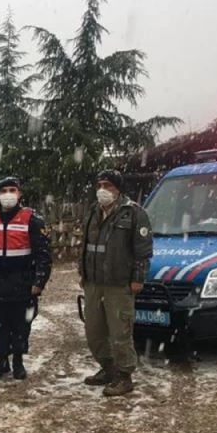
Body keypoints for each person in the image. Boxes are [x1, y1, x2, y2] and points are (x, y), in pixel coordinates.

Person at [0, 176, 52, 380]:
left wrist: (39, 281)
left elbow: (44, 254)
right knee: (0, 323)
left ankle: (18, 361)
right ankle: (2, 361)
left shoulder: (32, 219)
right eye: (3, 191)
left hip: (23, 282)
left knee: (22, 324)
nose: (8, 195)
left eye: (12, 190)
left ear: (19, 194)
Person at [79, 169, 153, 397]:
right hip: (93, 282)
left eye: (108, 186)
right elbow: (85, 246)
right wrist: (83, 274)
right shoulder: (93, 211)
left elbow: (143, 251)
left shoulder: (134, 213)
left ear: (118, 189)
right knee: (94, 331)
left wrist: (138, 278)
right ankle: (108, 368)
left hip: (119, 284)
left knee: (120, 331)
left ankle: (124, 375)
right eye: (100, 185)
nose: (102, 190)